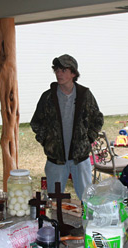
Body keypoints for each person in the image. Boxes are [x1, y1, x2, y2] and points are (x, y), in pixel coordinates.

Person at [30, 54, 103, 200]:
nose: (59, 74)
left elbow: (98, 119)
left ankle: (88, 222)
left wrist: (88, 138)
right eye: (57, 70)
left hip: (80, 159)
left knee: (87, 199)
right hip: (55, 159)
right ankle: (54, 223)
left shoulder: (85, 95)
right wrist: (47, 140)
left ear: (73, 73)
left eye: (63, 70)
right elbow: (36, 122)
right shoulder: (48, 97)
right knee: (53, 199)